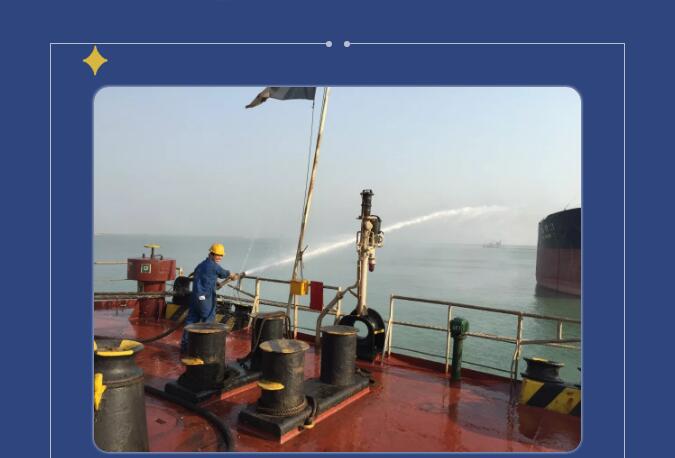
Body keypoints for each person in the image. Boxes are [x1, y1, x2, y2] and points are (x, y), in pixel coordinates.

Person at [180, 243, 242, 352]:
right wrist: (233, 275)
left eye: (221, 255)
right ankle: (205, 348)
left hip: (195, 297)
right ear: (211, 254)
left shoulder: (201, 265)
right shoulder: (214, 266)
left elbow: (205, 277)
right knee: (208, 321)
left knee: (191, 320)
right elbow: (224, 273)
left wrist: (215, 282)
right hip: (205, 299)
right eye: (218, 255)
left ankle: (185, 346)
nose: (220, 257)